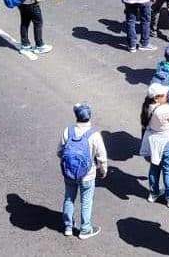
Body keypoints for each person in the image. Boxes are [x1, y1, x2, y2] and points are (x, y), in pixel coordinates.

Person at [59, 102, 108, 239]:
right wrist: (103, 171)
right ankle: (85, 229)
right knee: (86, 201)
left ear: (76, 116)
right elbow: (102, 157)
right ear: (90, 116)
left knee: (69, 198)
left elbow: (60, 152)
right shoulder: (94, 135)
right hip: (87, 174)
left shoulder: (67, 131)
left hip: (69, 173)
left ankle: (68, 226)